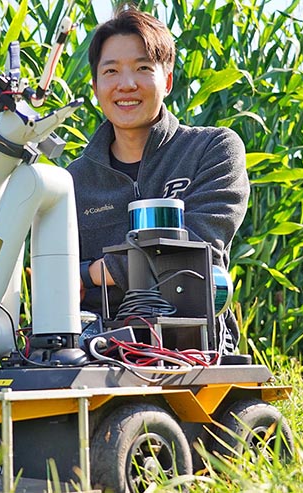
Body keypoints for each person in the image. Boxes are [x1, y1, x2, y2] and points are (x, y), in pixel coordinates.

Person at [67, 7, 249, 352]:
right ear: (95, 86)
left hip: (193, 342)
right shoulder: (72, 181)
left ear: (166, 80)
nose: (126, 84)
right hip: (96, 345)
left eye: (142, 68)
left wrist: (89, 273)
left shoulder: (212, 149)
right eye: (111, 71)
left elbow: (196, 252)